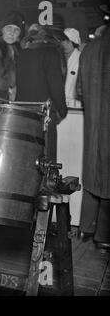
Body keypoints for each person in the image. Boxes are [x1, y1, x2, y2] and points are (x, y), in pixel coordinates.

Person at [77, 22, 110, 252]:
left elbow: (79, 90)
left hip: (94, 122)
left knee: (92, 172)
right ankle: (104, 236)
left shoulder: (89, 49)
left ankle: (85, 228)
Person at [16, 25, 68, 162]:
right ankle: (46, 183)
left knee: (27, 156)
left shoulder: (22, 54)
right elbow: (56, 85)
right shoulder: (52, 53)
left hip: (23, 114)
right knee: (46, 157)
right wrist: (62, 111)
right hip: (45, 113)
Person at [61, 28, 82, 108]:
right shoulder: (59, 58)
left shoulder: (81, 59)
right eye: (63, 41)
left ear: (74, 42)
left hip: (76, 106)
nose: (65, 45)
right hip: (61, 104)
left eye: (68, 42)